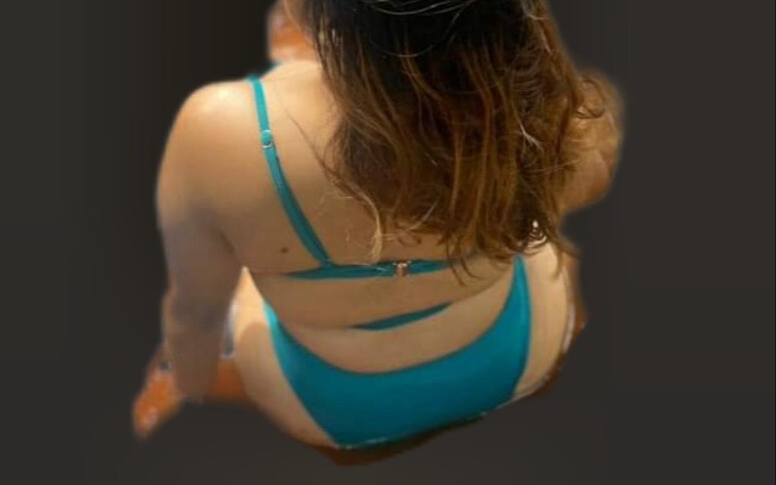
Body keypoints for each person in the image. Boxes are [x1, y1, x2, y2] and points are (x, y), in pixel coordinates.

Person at [134, 0, 623, 463]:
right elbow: (583, 182)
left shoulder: (218, 133)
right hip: (516, 356)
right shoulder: (548, 114)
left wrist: (187, 383)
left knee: (242, 268)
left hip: (328, 408)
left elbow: (196, 313)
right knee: (546, 250)